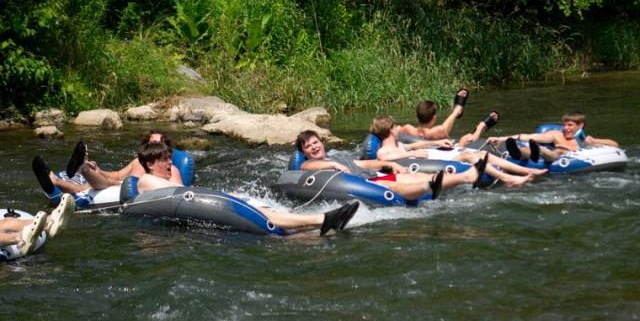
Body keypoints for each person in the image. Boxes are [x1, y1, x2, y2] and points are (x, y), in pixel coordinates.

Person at [136, 141, 358, 235]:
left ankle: (313, 229)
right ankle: (322, 220)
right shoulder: (145, 181)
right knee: (265, 215)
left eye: (169, 159)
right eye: (164, 160)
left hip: (206, 209)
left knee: (270, 215)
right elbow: (178, 193)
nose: (170, 164)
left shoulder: (163, 180)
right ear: (149, 164)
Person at [296, 129, 487, 201]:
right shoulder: (310, 164)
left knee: (412, 176)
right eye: (308, 146)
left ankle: (467, 177)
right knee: (394, 186)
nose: (313, 147)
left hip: (372, 177)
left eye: (315, 142)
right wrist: (335, 167)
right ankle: (429, 188)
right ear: (304, 152)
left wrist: (387, 163)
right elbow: (305, 169)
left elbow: (361, 162)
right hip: (367, 184)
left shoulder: (337, 155)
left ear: (321, 142)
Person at [370, 116, 545, 188]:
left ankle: (525, 171)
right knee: (470, 156)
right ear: (390, 130)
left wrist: (437, 142)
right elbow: (389, 159)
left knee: (482, 154)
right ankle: (508, 178)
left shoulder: (399, 144)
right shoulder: (384, 151)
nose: (399, 127)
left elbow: (413, 147)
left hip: (434, 155)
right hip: (431, 160)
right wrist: (408, 155)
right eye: (395, 126)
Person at [32, 130, 182, 196]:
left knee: (87, 187)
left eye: (159, 143)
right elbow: (118, 174)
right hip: (120, 185)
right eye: (153, 143)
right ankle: (70, 173)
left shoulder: (171, 168)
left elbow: (179, 190)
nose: (156, 146)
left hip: (125, 188)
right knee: (90, 187)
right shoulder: (138, 161)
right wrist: (100, 170)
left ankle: (57, 178)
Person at [488, 111, 620, 163]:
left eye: (570, 125)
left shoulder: (586, 140)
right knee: (556, 149)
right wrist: (501, 139)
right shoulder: (557, 135)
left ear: (580, 125)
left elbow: (614, 145)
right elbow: (529, 136)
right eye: (564, 125)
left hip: (578, 159)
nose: (566, 128)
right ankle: (518, 152)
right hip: (555, 156)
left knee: (561, 150)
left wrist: (594, 141)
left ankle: (537, 150)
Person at [399, 88, 500, 147]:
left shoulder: (407, 129)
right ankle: (480, 126)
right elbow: (443, 129)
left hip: (423, 150)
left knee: (444, 130)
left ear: (417, 115)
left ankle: (457, 111)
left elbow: (393, 130)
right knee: (467, 138)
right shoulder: (437, 131)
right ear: (434, 118)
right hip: (443, 154)